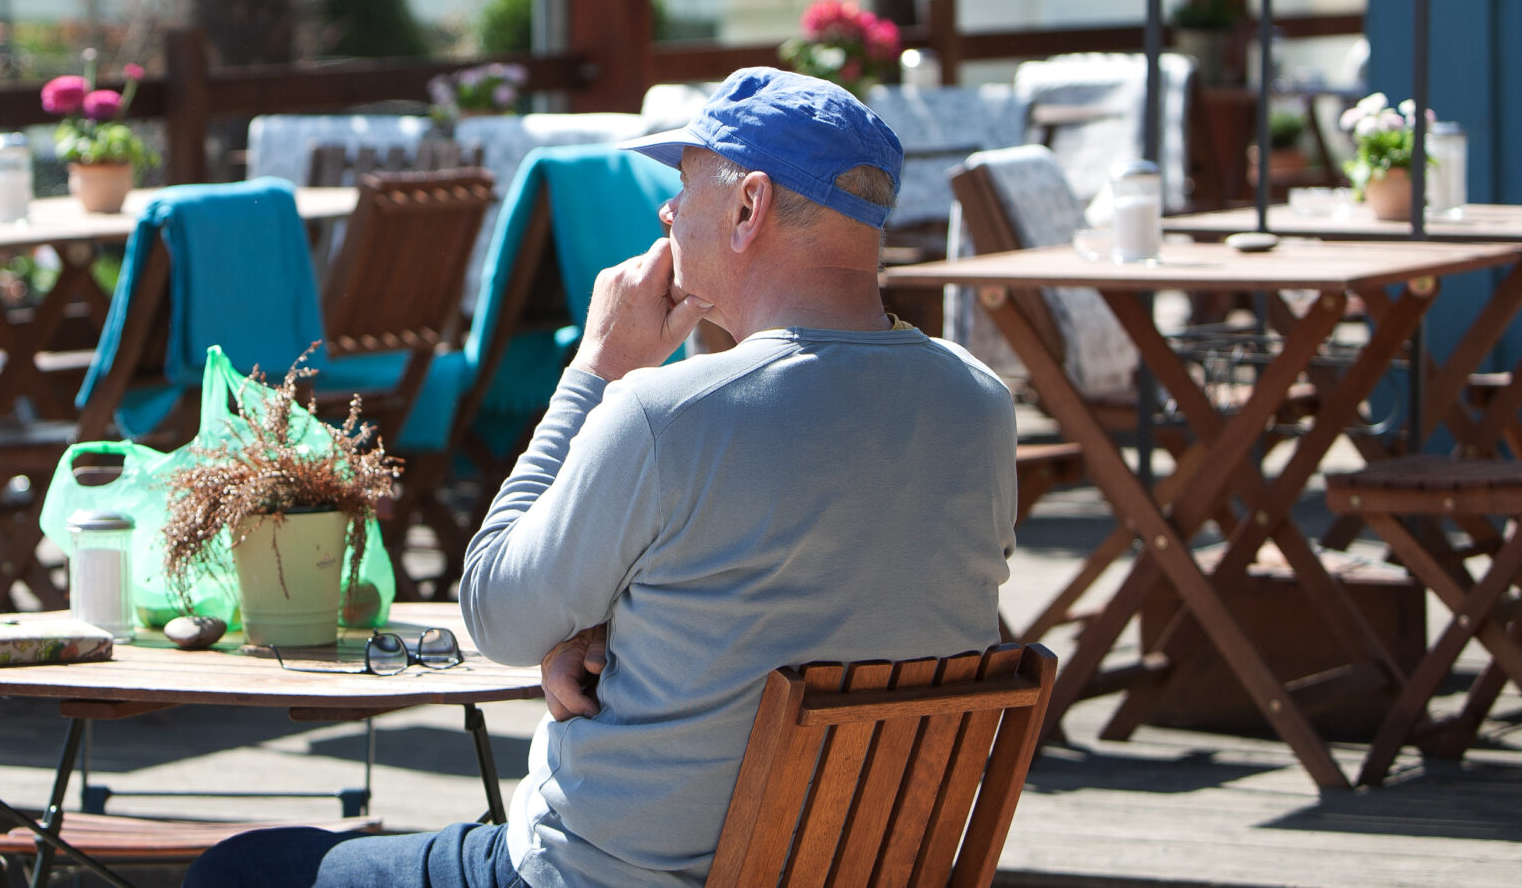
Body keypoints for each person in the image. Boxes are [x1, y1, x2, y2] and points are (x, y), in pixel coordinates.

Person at [186, 68, 1017, 888]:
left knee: (240, 871)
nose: (666, 211)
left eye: (684, 185)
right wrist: (614, 635)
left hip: (603, 877)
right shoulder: (981, 406)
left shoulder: (669, 414)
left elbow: (496, 614)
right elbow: (825, 598)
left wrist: (596, 369)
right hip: (872, 870)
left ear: (746, 206)